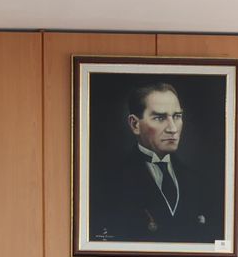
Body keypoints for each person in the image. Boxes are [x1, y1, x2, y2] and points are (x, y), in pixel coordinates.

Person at [89, 81, 222, 245]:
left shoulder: (199, 182)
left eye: (177, 116)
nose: (173, 128)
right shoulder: (109, 183)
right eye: (159, 118)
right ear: (135, 124)